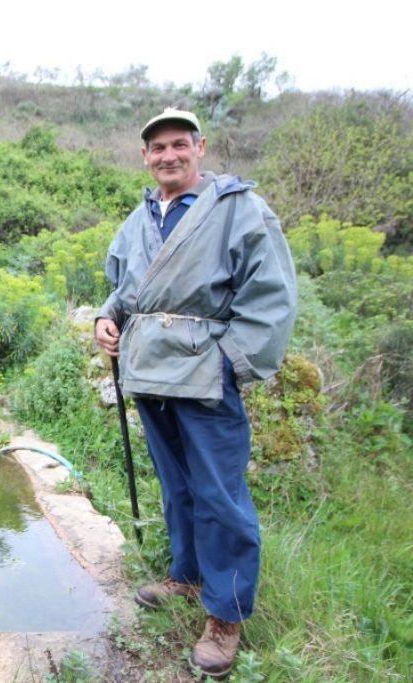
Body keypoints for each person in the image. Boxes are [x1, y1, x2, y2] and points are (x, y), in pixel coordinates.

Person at [94, 108, 297, 679]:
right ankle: (185, 577)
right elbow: (123, 286)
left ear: (200, 148)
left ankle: (226, 616)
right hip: (149, 372)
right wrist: (106, 319)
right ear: (145, 156)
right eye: (157, 148)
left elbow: (272, 295)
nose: (168, 156)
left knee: (219, 494)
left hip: (206, 376)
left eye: (179, 145)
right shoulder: (138, 219)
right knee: (177, 485)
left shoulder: (239, 210)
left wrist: (232, 363)